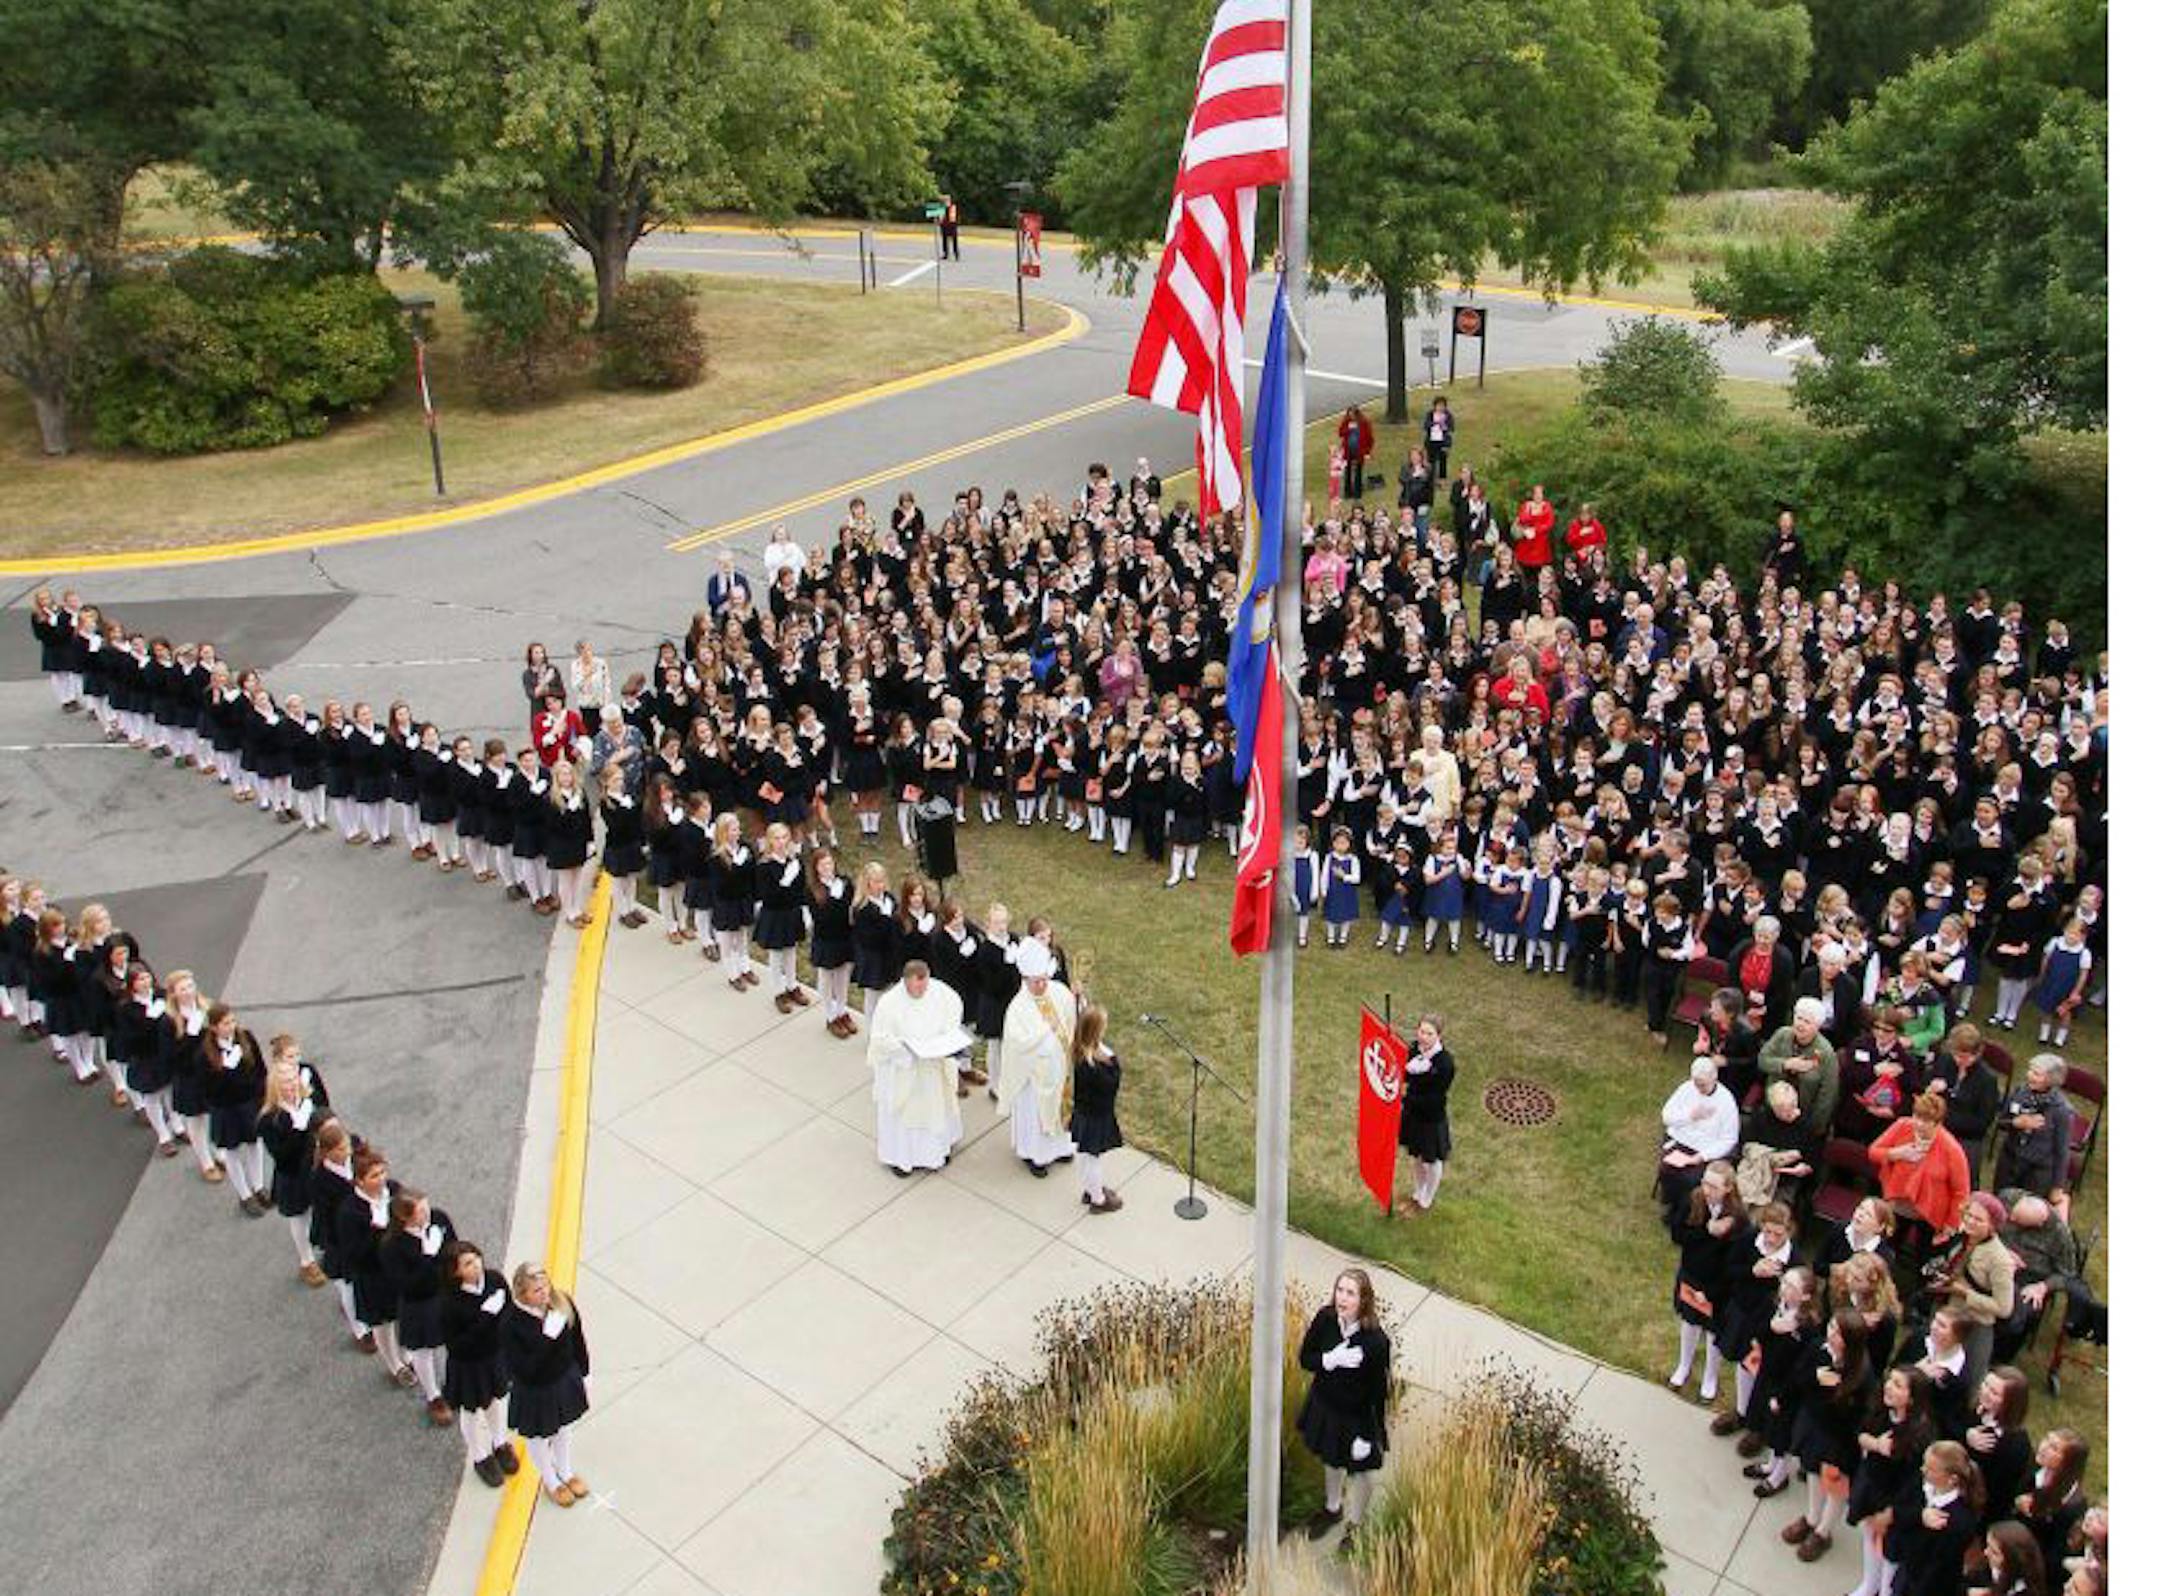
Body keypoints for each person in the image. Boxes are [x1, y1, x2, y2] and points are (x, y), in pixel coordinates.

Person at [1297, 1268, 1391, 1546]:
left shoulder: (1376, 1342)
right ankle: (1332, 1508)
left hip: (1357, 1416)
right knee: (1331, 1460)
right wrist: (1330, 1359)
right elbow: (1305, 1358)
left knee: (1361, 1474)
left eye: (1350, 1293)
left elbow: (1378, 1391)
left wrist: (1367, 1434)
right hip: (1326, 1405)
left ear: (1363, 1300)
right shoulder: (1326, 1319)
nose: (1342, 1297)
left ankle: (1357, 1525)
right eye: (1340, 1289)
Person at [864, 960, 967, 1177]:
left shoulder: (939, 992)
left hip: (932, 1069)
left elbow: (954, 1010)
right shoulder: (889, 1004)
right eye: (917, 986)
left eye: (925, 984)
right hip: (904, 1071)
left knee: (935, 1109)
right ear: (906, 982)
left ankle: (937, 1151)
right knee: (906, 1117)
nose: (922, 989)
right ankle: (902, 1158)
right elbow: (880, 1039)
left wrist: (944, 1040)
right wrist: (907, 1050)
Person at [505, 1262, 593, 1508]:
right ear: (522, 1294)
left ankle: (564, 1470)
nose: (544, 1293)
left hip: (562, 1379)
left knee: (564, 1427)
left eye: (545, 1286)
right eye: (536, 1290)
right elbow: (524, 1369)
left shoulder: (560, 1303)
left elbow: (577, 1339)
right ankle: (550, 1479)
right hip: (535, 1390)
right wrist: (546, 1339)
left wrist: (585, 1373)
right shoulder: (511, 1324)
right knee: (539, 1435)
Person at [1668, 1161, 1751, 1404]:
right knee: (1690, 1322)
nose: (1706, 1190)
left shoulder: (1738, 1217)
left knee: (1714, 1331)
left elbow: (1734, 1261)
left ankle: (1710, 1377)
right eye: (1705, 1182)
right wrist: (1707, 1231)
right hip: (1692, 1274)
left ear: (1728, 1188)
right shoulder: (1693, 1200)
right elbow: (1677, 1234)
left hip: (1718, 1285)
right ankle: (1683, 1366)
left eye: (1713, 1186)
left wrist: (1712, 1293)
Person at [440, 1241, 521, 1488]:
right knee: (472, 1410)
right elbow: (456, 1345)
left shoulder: (495, 1280)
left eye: (476, 1258)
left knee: (496, 1400)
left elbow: (509, 1313)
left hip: (494, 1356)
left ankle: (499, 1442)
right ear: (456, 1272)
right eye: (467, 1263)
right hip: (469, 1365)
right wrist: (485, 1317)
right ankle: (479, 1455)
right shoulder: (450, 1301)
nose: (476, 1265)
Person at [997, 937, 1076, 1177]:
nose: (1042, 986)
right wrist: (1044, 1035)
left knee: (1060, 1106)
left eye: (1044, 980)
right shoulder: (1018, 1008)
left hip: (1059, 1068)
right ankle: (1035, 1154)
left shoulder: (1058, 992)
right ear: (1025, 980)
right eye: (1036, 982)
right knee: (1036, 1114)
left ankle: (1061, 1147)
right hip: (1033, 1075)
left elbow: (1070, 1015)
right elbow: (1016, 1042)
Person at [1870, 1093, 1971, 1241]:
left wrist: (1951, 1224)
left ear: (1938, 1123)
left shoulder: (1952, 1149)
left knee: (1918, 1256)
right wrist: (1896, 1153)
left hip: (1929, 1214)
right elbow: (1873, 1152)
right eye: (1916, 1117)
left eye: (1926, 1121)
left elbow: (1961, 1192)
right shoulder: (1902, 1125)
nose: (1919, 1124)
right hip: (1896, 1204)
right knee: (1887, 1245)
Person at [1658, 1056, 1740, 1212]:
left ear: (1714, 1077)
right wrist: (1690, 1116)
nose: (1698, 1089)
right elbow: (1667, 1116)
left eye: (1703, 1085)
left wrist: (1702, 1156)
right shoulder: (1686, 1089)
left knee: (1691, 1179)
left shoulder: (1726, 1101)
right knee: (1667, 1168)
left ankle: (1687, 1209)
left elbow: (1729, 1139)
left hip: (1705, 1150)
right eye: (1696, 1083)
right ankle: (1670, 1203)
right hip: (1681, 1141)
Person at [1069, 1003, 1125, 1213]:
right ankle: (1098, 1199)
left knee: (1085, 1157)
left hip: (1085, 1114)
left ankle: (1090, 1189)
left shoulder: (1081, 1052)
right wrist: (1113, 1061)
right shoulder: (1096, 1066)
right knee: (1092, 1159)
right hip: (1096, 1117)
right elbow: (1112, 1083)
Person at [1994, 1054, 2074, 1198]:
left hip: (2036, 1172)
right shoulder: (2019, 1092)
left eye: (2036, 1074)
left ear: (2051, 1079)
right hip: (2009, 1161)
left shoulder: (2061, 1110)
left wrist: (2057, 1186)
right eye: (2030, 1070)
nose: (2030, 1076)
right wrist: (2015, 1123)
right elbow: (2001, 1122)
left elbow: (2062, 1151)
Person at [1397, 1015, 1454, 1211]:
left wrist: (1405, 1098)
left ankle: (1427, 1198)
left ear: (1438, 1035)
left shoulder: (1445, 1064)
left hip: (1431, 1117)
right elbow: (1405, 1073)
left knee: (1432, 1161)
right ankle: (1418, 1191)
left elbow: (1435, 1098)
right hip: (1413, 1113)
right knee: (1417, 1157)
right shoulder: (1414, 1049)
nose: (1424, 1037)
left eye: (1429, 1033)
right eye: (1421, 1031)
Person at [937, 193, 960, 260]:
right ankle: (946, 253)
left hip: (952, 225)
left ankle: (956, 254)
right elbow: (940, 217)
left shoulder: (952, 207)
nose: (945, 201)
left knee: (954, 240)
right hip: (944, 225)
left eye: (946, 200)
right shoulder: (942, 207)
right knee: (944, 239)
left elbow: (953, 217)